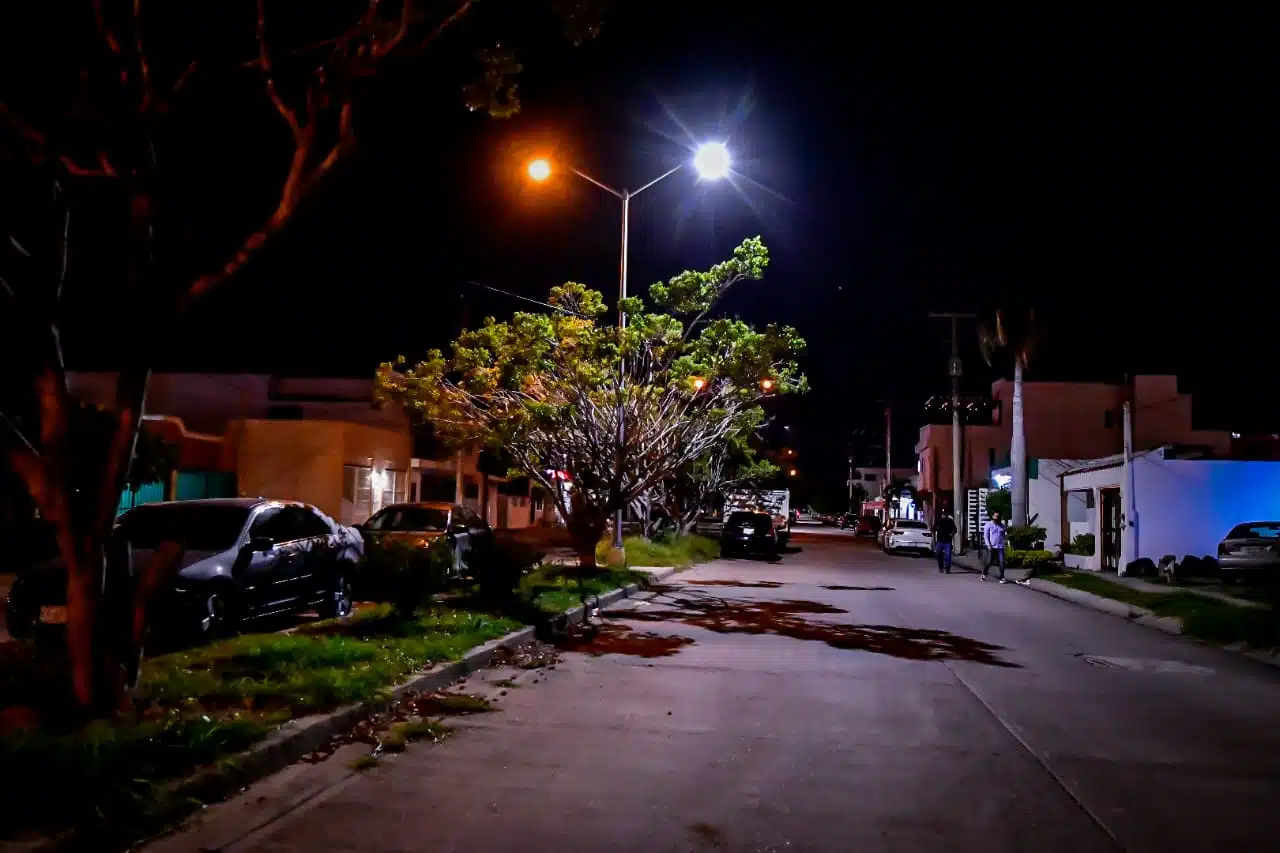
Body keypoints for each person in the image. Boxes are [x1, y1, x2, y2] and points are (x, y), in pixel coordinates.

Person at [982, 511, 1007, 583]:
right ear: (992, 517)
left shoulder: (1002, 525)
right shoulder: (988, 524)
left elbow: (1004, 534)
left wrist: (1005, 531)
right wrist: (988, 545)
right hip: (991, 546)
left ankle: (1002, 577)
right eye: (995, 516)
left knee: (1001, 562)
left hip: (1000, 546)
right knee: (989, 562)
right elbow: (986, 536)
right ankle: (984, 573)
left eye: (998, 516)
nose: (996, 518)